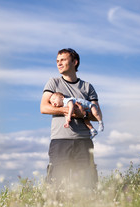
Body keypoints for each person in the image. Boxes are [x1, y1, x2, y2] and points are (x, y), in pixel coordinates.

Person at [40, 48, 102, 188]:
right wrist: (69, 110)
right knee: (56, 185)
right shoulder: (53, 83)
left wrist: (84, 114)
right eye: (57, 61)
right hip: (60, 141)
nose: (59, 63)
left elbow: (98, 114)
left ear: (75, 62)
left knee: (87, 185)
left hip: (84, 142)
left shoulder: (87, 87)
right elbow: (44, 108)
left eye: (63, 60)